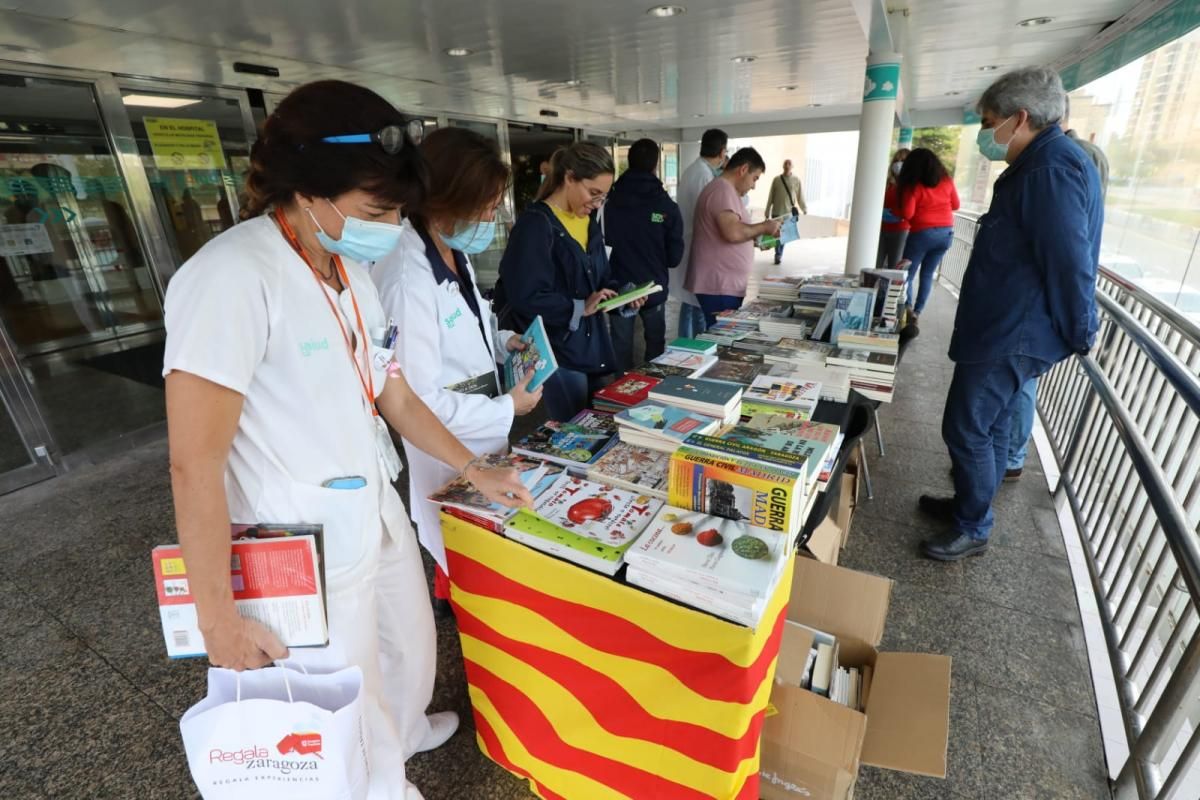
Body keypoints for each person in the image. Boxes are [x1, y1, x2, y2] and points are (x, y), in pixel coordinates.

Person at [161, 80, 532, 799]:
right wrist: (217, 618)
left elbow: (391, 389)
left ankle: (401, 744)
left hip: (373, 508)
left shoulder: (349, 271)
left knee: (408, 650)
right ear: (305, 193)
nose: (393, 227)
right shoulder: (231, 278)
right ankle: (380, 786)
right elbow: (192, 463)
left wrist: (472, 467)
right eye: (378, 211)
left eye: (398, 211)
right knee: (338, 708)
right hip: (301, 540)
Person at [918, 66, 1101, 562]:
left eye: (989, 121)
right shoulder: (1044, 162)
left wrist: (1082, 328)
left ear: (1020, 118)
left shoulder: (1050, 169)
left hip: (1014, 331)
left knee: (965, 426)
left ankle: (974, 524)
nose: (985, 133)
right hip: (1011, 325)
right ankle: (969, 507)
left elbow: (1069, 260)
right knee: (993, 427)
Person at [371, 127, 543, 617]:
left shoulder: (448, 247)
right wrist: (510, 407)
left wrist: (503, 336)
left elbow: (470, 312)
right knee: (454, 533)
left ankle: (460, 594)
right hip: (446, 441)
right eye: (486, 206)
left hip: (477, 422)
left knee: (475, 527)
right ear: (446, 197)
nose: (492, 217)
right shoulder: (406, 275)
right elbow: (416, 397)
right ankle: (461, 606)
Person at [1004, 97, 1111, 480]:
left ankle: (1010, 459)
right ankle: (1002, 461)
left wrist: (1081, 328)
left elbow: (1069, 251)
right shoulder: (1070, 157)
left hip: (1034, 309)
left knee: (1017, 384)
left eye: (992, 121)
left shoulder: (1059, 162)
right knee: (1010, 391)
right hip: (1037, 302)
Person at [494, 142, 637, 421]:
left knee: (598, 425)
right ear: (569, 178)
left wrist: (622, 296)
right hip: (557, 352)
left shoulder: (587, 221)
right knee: (573, 429)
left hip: (591, 347)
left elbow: (601, 278)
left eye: (602, 197)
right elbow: (525, 294)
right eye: (593, 193)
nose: (596, 204)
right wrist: (578, 307)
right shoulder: (536, 225)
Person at [603, 138, 684, 372]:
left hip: (618, 288)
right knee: (655, 345)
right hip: (653, 287)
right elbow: (674, 257)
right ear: (655, 165)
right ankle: (650, 389)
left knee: (620, 344)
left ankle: (619, 392)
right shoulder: (665, 206)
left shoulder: (609, 202)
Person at [683, 147, 782, 327]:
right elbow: (733, 232)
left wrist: (756, 238)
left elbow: (731, 232)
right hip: (719, 285)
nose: (754, 186)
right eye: (755, 178)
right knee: (722, 337)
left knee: (724, 335)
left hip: (724, 284)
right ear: (743, 170)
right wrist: (764, 227)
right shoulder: (721, 191)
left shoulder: (725, 191)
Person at [673, 128, 728, 338]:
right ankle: (693, 348)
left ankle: (686, 346)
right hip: (697, 247)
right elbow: (709, 217)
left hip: (690, 244)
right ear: (722, 152)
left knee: (690, 304)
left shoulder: (693, 170)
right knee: (696, 307)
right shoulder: (704, 176)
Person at [895, 148, 960, 320]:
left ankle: (907, 309)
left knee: (908, 273)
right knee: (927, 275)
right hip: (946, 234)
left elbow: (908, 214)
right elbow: (955, 205)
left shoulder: (913, 185)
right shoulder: (946, 181)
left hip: (921, 234)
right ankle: (918, 311)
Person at [764, 159, 807, 265]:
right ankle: (778, 254)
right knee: (777, 235)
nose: (787, 165)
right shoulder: (776, 180)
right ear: (783, 166)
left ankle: (778, 254)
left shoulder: (796, 180)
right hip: (776, 212)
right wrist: (767, 210)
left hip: (788, 213)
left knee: (784, 236)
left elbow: (800, 195)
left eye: (789, 163)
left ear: (792, 166)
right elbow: (771, 196)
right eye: (785, 163)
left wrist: (804, 208)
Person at [878, 148, 910, 269]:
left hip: (900, 230)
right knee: (876, 264)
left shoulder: (911, 186)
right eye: (897, 160)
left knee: (894, 266)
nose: (899, 164)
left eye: (903, 161)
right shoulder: (885, 183)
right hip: (881, 228)